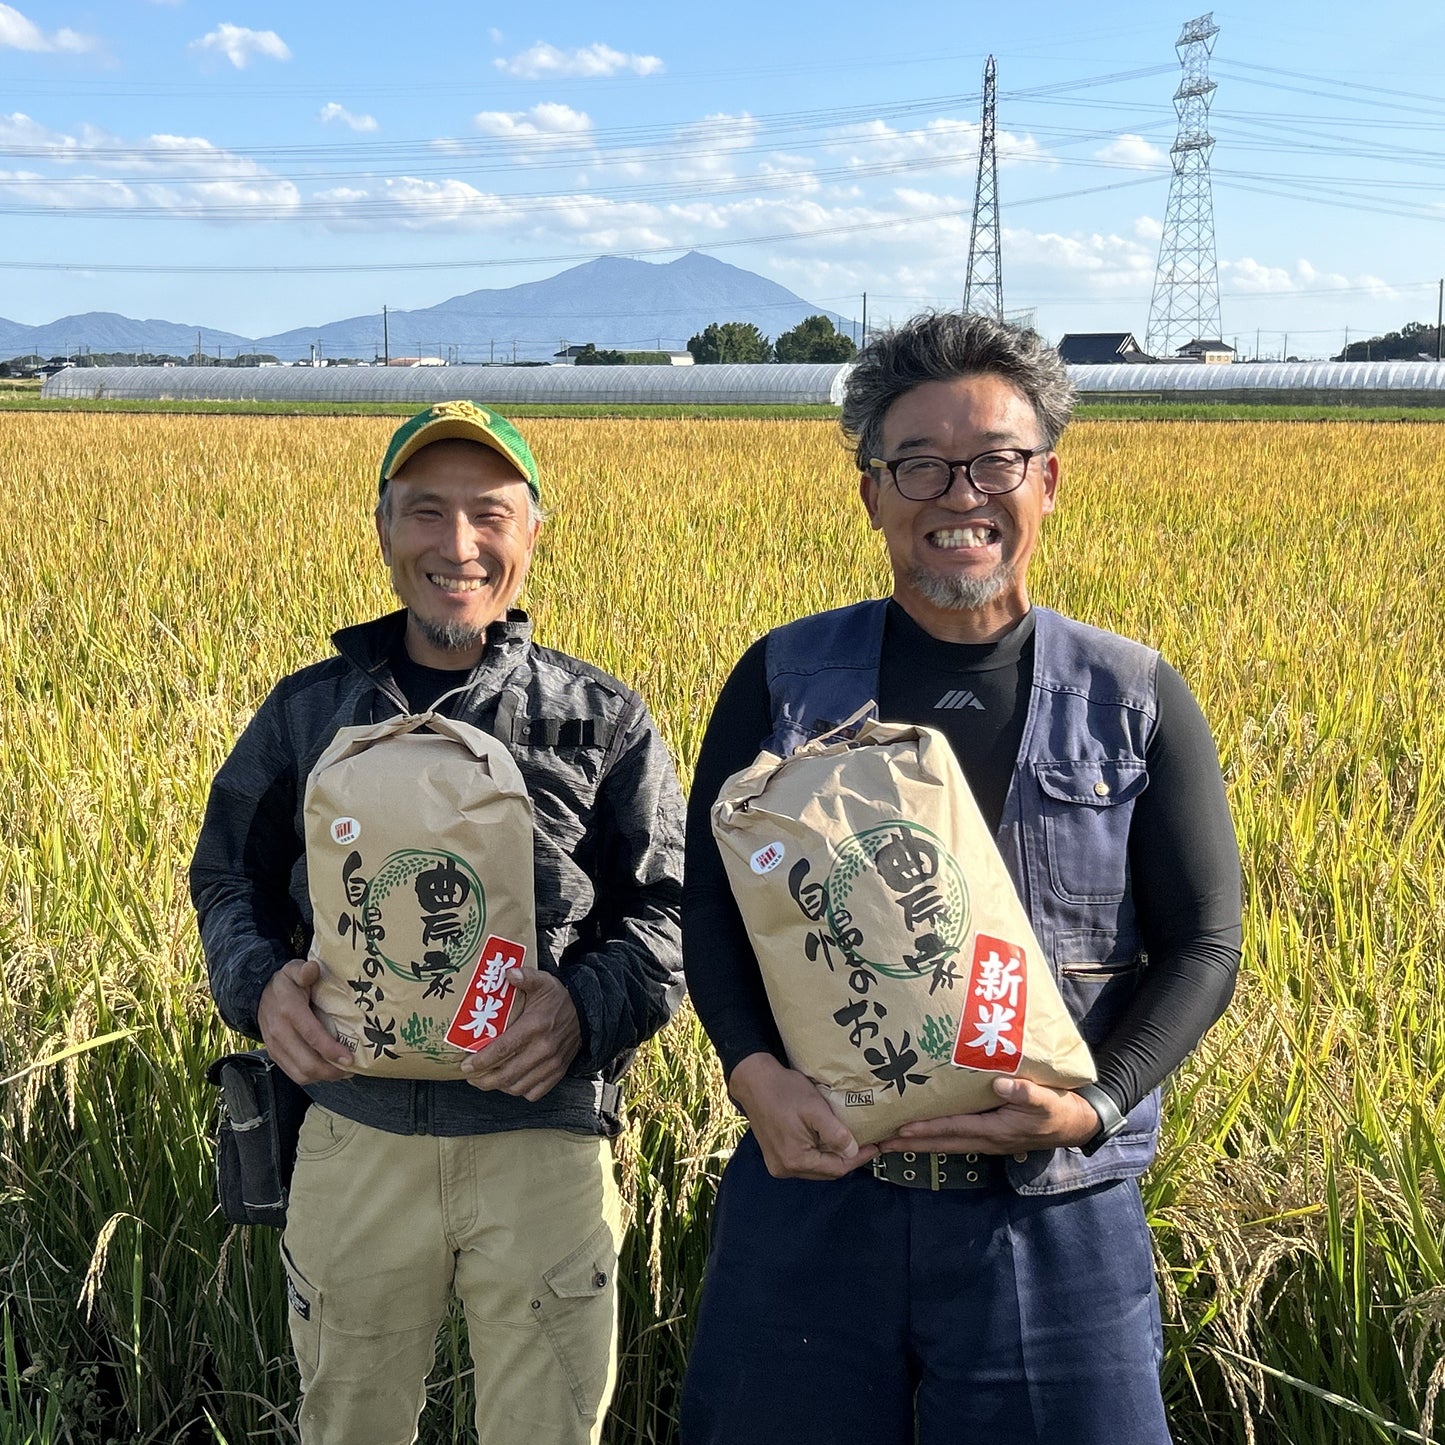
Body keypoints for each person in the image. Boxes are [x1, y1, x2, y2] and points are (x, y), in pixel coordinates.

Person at [680, 313, 1241, 1445]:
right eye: (919, 464)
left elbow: (1203, 942)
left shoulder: (1131, 699)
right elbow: (707, 909)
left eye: (994, 460)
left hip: (1052, 1218)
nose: (958, 493)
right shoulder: (782, 680)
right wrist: (749, 1072)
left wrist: (1093, 1100)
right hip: (817, 1200)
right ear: (871, 492)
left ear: (1046, 483)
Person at [191, 400, 685, 1445]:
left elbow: (670, 914)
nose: (456, 545)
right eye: (425, 512)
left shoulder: (601, 718)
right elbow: (227, 876)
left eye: (488, 514)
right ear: (382, 529)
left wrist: (582, 1008)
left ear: (531, 533)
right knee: (347, 1424)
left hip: (542, 1146)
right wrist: (259, 985)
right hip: (353, 1138)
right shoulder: (306, 712)